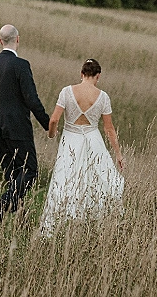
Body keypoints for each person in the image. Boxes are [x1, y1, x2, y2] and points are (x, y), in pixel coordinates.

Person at [40, 58, 124, 234]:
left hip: (71, 138)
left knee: (66, 180)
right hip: (94, 140)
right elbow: (109, 129)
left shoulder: (66, 92)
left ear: (81, 74)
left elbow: (54, 119)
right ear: (98, 76)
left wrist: (51, 134)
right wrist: (118, 154)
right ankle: (91, 223)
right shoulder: (103, 97)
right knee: (95, 180)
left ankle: (61, 222)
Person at [0, 24, 50, 222]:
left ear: (0, 40)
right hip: (18, 127)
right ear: (17, 39)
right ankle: (2, 204)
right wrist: (47, 123)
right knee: (30, 170)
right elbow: (31, 99)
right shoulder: (21, 65)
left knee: (12, 173)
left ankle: (21, 216)